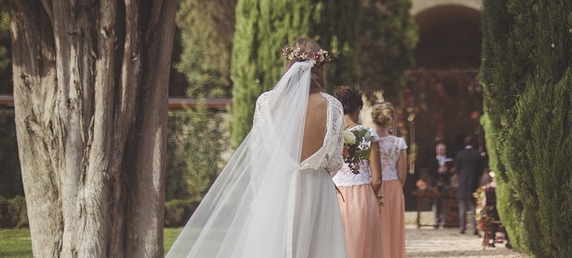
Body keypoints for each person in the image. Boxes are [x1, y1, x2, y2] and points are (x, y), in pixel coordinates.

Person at [166, 37, 347, 258]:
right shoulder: (332, 106)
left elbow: (258, 157)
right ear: (320, 68)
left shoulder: (267, 102)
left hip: (276, 189)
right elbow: (336, 161)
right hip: (317, 193)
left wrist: (261, 194)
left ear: (288, 65)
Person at [332, 87, 383, 258]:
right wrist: (370, 196)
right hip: (363, 197)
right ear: (358, 108)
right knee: (364, 249)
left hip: (335, 196)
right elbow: (377, 180)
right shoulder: (369, 135)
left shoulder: (331, 135)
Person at [372, 102, 407, 258]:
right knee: (392, 228)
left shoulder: (367, 141)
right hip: (393, 188)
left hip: (372, 186)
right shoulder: (399, 143)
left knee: (374, 227)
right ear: (391, 121)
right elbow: (402, 174)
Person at [454, 135, 484, 235]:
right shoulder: (477, 154)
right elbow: (481, 169)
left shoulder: (460, 154)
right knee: (473, 207)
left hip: (463, 183)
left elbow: (457, 169)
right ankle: (475, 228)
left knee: (462, 207)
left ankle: (462, 228)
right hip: (474, 183)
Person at [425, 142, 451, 227]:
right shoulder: (432, 160)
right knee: (435, 202)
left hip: (445, 184)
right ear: (436, 151)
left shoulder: (448, 160)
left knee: (444, 202)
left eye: (443, 149)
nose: (441, 151)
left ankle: (443, 219)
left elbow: (452, 172)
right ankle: (436, 220)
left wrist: (446, 171)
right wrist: (438, 171)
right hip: (435, 184)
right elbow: (429, 171)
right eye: (439, 149)